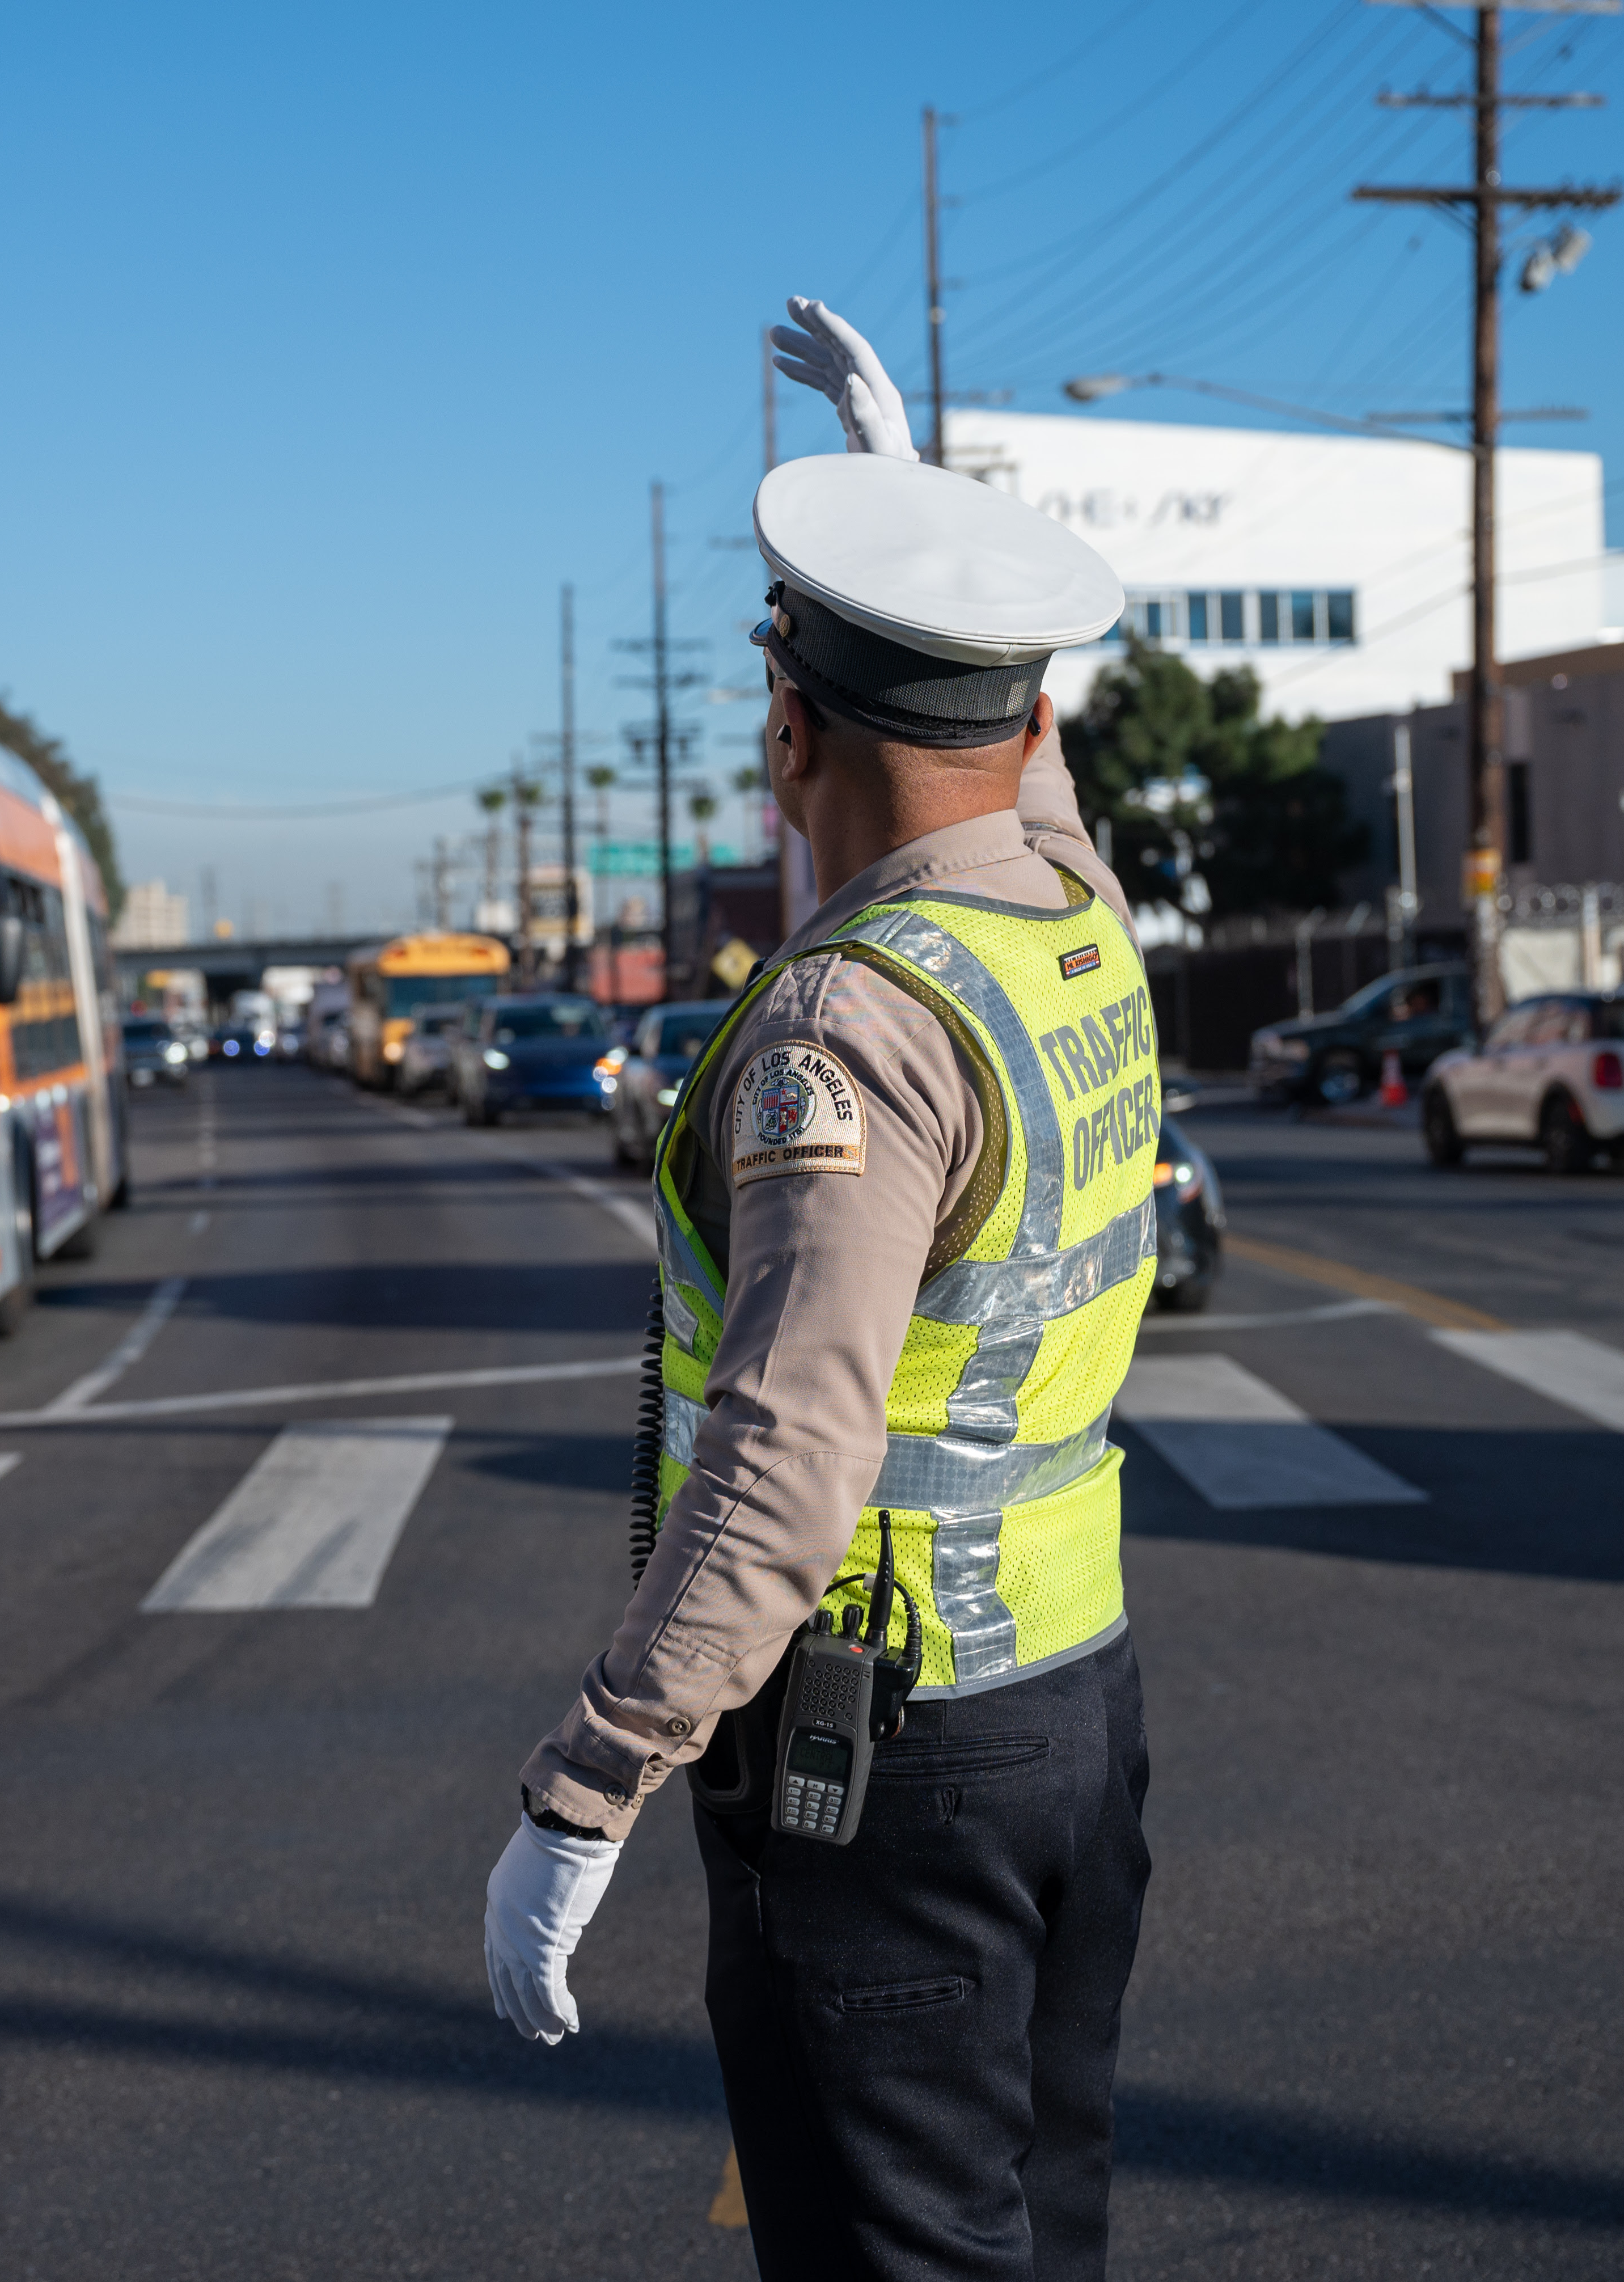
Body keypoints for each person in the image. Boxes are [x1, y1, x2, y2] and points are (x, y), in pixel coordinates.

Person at [482, 298, 1161, 2280]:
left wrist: (592, 1787)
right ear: (1015, 715)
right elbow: (1031, 771)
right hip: (1073, 1717)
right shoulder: (1075, 926)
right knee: (1039, 2229)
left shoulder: (849, 1030)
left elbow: (787, 1460)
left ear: (789, 730)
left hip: (885, 1772)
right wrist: (915, 517)